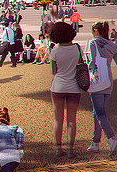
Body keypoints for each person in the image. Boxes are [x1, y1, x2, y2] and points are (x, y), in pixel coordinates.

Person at [49, 21, 83, 157]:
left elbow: (53, 71)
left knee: (58, 119)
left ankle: (58, 149)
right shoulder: (77, 49)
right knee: (71, 120)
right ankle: (70, 150)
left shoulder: (55, 50)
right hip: (74, 87)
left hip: (58, 86)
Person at [86, 21, 117, 156]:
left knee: (99, 113)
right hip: (108, 80)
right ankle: (95, 142)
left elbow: (92, 61)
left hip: (97, 79)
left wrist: (87, 69)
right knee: (97, 111)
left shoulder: (94, 42)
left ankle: (111, 139)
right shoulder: (112, 44)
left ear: (96, 31)